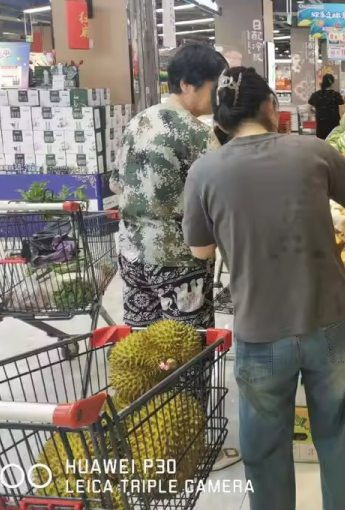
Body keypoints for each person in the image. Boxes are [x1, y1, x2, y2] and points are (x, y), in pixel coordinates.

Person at [183, 67, 345, 510]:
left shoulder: (204, 172)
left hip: (260, 329)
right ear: (269, 106)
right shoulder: (312, 151)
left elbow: (200, 251)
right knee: (338, 436)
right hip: (330, 321)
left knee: (265, 449)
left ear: (220, 120)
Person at [112, 43, 239, 469]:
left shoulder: (138, 121)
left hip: (132, 254)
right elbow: (221, 190)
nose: (216, 97)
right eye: (213, 87)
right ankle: (192, 447)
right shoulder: (195, 132)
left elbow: (118, 182)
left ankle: (144, 437)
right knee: (188, 351)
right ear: (187, 85)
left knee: (143, 351)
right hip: (178, 261)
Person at [308, 73, 345, 139]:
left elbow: (308, 109)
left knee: (321, 142)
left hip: (321, 123)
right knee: (333, 140)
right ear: (332, 83)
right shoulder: (336, 95)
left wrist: (317, 113)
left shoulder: (316, 95)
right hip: (334, 124)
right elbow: (341, 112)